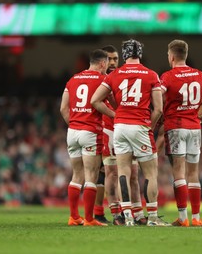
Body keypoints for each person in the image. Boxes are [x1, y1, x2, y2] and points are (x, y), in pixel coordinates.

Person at [91, 39, 170, 226]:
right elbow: (158, 109)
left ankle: (127, 216)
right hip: (140, 125)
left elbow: (95, 100)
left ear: (124, 55)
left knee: (123, 172)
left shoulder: (113, 75)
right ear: (140, 54)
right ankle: (152, 217)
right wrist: (148, 127)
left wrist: (116, 114)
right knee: (150, 173)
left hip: (119, 128)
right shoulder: (151, 75)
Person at [160, 39, 202, 227]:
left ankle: (182, 218)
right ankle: (196, 218)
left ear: (171, 56)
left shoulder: (167, 76)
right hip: (194, 127)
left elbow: (159, 95)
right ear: (185, 55)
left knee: (179, 172)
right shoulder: (199, 75)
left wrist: (160, 112)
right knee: (193, 173)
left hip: (175, 126)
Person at [60, 49, 109, 226]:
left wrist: (74, 124)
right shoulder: (103, 80)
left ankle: (74, 217)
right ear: (102, 63)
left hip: (72, 131)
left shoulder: (73, 80)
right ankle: (89, 218)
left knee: (76, 175)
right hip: (90, 131)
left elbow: (63, 109)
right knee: (91, 175)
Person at [100, 45, 147, 225]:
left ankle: (137, 212)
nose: (112, 62)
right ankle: (116, 212)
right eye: (109, 59)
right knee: (112, 173)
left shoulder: (122, 75)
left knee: (134, 173)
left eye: (115, 59)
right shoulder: (102, 79)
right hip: (109, 130)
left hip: (127, 128)